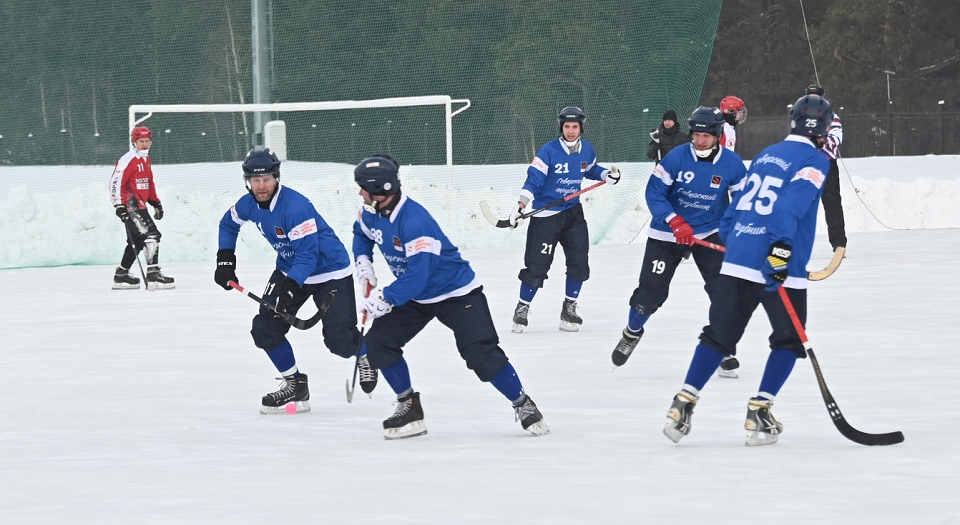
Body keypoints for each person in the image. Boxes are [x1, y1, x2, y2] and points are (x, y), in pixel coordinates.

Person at [662, 94, 833, 446]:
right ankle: (760, 411)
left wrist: (734, 239)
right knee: (788, 341)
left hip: (738, 257)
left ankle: (683, 402)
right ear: (824, 129)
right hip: (778, 264)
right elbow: (789, 206)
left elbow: (734, 209)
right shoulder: (817, 159)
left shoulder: (768, 153)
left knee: (719, 336)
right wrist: (781, 250)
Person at [352, 154, 548, 439]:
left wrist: (385, 297)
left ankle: (523, 403)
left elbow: (420, 275)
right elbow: (362, 233)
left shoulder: (415, 221)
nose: (360, 194)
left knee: (480, 353)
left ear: (380, 190)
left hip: (455, 292)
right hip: (416, 296)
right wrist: (363, 263)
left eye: (363, 188)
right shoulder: (371, 211)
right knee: (378, 344)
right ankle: (409, 407)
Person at [213, 148, 377, 415]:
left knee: (339, 342)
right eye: (255, 181)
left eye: (267, 179)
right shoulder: (248, 204)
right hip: (290, 268)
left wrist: (290, 288)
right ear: (248, 182)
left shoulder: (295, 208)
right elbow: (227, 224)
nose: (261, 186)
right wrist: (225, 260)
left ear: (277, 178)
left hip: (329, 271)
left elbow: (309, 255)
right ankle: (295, 385)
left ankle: (367, 352)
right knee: (265, 328)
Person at [612, 107, 747, 377]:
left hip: (709, 231)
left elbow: (743, 203)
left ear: (718, 135)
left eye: (706, 136)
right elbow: (655, 193)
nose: (700, 141)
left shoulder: (732, 164)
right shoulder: (676, 158)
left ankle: (720, 345)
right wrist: (674, 221)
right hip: (668, 232)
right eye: (696, 135)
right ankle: (632, 332)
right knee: (650, 295)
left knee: (723, 292)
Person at [509, 106, 621, 333]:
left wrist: (605, 176)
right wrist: (520, 205)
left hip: (573, 214)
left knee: (579, 262)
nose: (571, 131)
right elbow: (534, 180)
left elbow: (589, 169)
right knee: (537, 266)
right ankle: (522, 307)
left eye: (575, 126)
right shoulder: (548, 151)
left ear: (581, 128)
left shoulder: (586, 149)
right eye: (567, 127)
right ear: (561, 127)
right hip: (546, 216)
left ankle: (569, 308)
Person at [108, 126, 174, 290]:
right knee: (152, 234)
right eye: (141, 141)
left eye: (147, 141)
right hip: (131, 205)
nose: (144, 144)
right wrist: (119, 205)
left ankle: (121, 275)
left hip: (141, 205)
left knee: (137, 240)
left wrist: (155, 202)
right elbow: (115, 182)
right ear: (134, 142)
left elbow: (148, 182)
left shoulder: (146, 159)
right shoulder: (127, 159)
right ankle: (153, 273)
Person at [807, 84, 846, 251]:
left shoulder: (832, 117)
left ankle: (838, 243)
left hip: (827, 165)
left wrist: (821, 141)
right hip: (808, 166)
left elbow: (836, 140)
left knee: (832, 204)